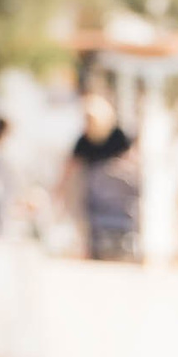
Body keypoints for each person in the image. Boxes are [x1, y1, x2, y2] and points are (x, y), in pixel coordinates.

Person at [61, 95, 138, 262]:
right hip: (92, 193)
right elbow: (70, 165)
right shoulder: (83, 140)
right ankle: (86, 247)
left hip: (116, 195)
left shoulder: (117, 136)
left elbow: (130, 160)